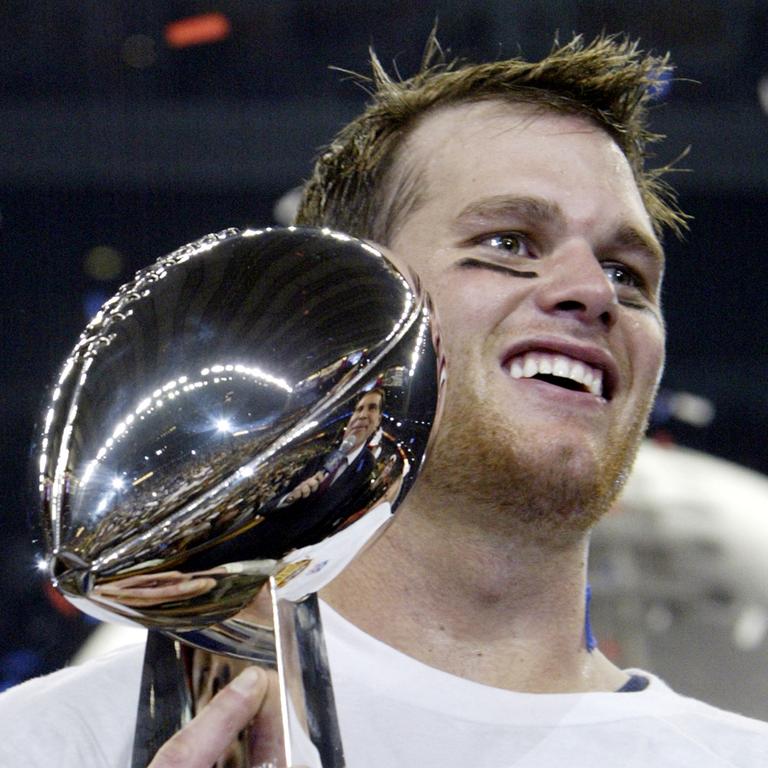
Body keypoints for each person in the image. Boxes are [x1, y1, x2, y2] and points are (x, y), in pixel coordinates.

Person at [2, 32, 767, 768]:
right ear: (339, 312)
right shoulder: (58, 744)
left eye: (629, 274)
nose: (593, 292)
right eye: (508, 243)